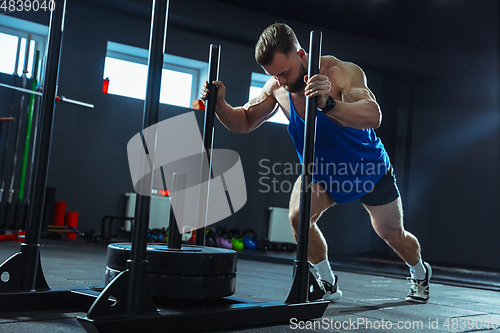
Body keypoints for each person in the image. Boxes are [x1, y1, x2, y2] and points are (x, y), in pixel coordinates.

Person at [200, 23, 431, 303]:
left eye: (285, 73)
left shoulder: (340, 72)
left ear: (301, 53)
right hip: (322, 172)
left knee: (392, 235)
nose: (281, 81)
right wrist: (220, 106)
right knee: (298, 217)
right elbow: (245, 121)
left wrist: (329, 105)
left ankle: (419, 272)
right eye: (274, 75)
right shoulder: (277, 87)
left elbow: (373, 116)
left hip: (369, 169)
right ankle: (328, 282)